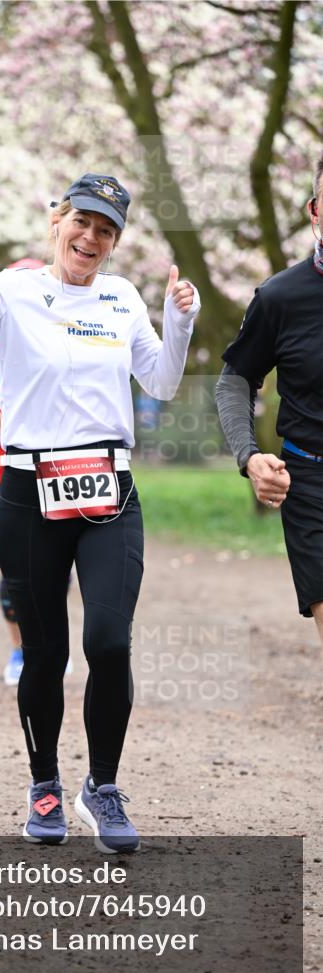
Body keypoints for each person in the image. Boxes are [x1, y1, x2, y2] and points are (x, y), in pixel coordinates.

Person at [0, 173, 200, 851]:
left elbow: (158, 380)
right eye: (82, 222)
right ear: (56, 221)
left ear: (114, 242)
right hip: (26, 489)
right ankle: (43, 783)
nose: (91, 238)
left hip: (107, 490)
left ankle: (100, 787)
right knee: (44, 653)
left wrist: (178, 321)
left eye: (105, 230)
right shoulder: (13, 290)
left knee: (108, 641)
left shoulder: (122, 297)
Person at [216, 151, 323, 648]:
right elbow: (235, 378)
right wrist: (250, 455)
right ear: (314, 212)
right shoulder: (280, 298)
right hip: (311, 480)